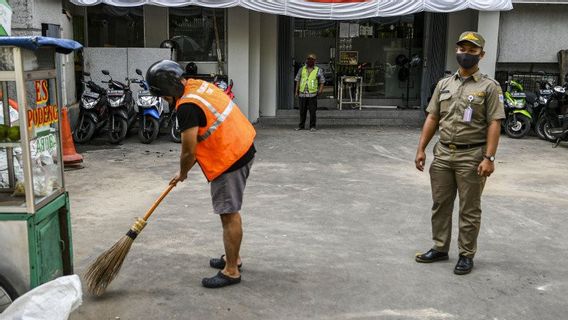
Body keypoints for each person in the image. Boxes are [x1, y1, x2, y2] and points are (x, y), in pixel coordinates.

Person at [146, 60, 256, 288]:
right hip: (241, 144)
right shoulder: (197, 85)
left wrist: (182, 173)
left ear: (169, 90)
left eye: (163, 96)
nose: (165, 100)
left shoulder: (187, 106)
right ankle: (232, 256)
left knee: (229, 213)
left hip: (229, 158)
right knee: (229, 211)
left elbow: (189, 150)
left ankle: (232, 270)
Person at [414, 32, 505, 275]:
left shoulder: (489, 87)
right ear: (457, 51)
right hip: (443, 154)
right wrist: (421, 148)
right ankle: (440, 247)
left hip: (472, 156)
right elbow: (433, 117)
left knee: (469, 208)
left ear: (481, 55)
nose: (466, 54)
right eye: (462, 49)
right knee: (440, 204)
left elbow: (495, 123)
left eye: (472, 51)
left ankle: (466, 254)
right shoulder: (444, 84)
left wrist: (490, 158)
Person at [295, 53, 325, 131]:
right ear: (306, 60)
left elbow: (322, 81)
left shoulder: (318, 70)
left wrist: (320, 90)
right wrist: (296, 91)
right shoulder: (301, 69)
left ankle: (312, 126)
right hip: (302, 94)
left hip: (312, 94)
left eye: (312, 60)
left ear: (315, 61)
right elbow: (298, 80)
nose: (310, 61)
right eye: (309, 59)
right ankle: (301, 126)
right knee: (302, 112)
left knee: (312, 112)